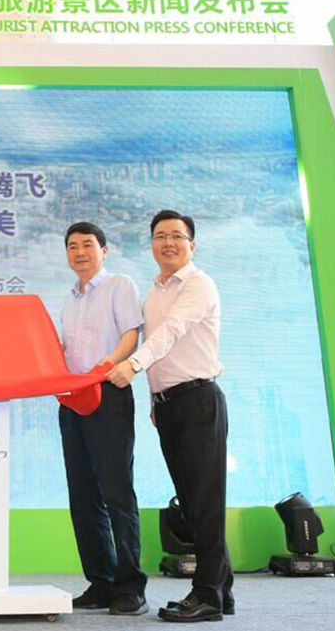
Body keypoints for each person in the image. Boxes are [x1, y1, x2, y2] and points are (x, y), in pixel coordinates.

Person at [107, 209, 233, 623]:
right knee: (192, 503)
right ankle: (224, 589)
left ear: (191, 244)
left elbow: (172, 331)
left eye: (177, 236)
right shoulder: (154, 292)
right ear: (151, 245)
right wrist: (154, 400)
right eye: (160, 236)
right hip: (169, 405)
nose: (168, 243)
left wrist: (133, 365)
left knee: (206, 503)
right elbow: (161, 350)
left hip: (199, 400)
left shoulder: (199, 284)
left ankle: (208, 595)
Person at [57, 222, 148, 616]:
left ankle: (131, 587)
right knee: (82, 495)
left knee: (116, 492)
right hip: (72, 401)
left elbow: (131, 334)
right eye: (72, 246)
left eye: (87, 245)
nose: (80, 252)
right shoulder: (68, 299)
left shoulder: (119, 285)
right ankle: (101, 581)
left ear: (104, 250)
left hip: (108, 392)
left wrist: (107, 364)